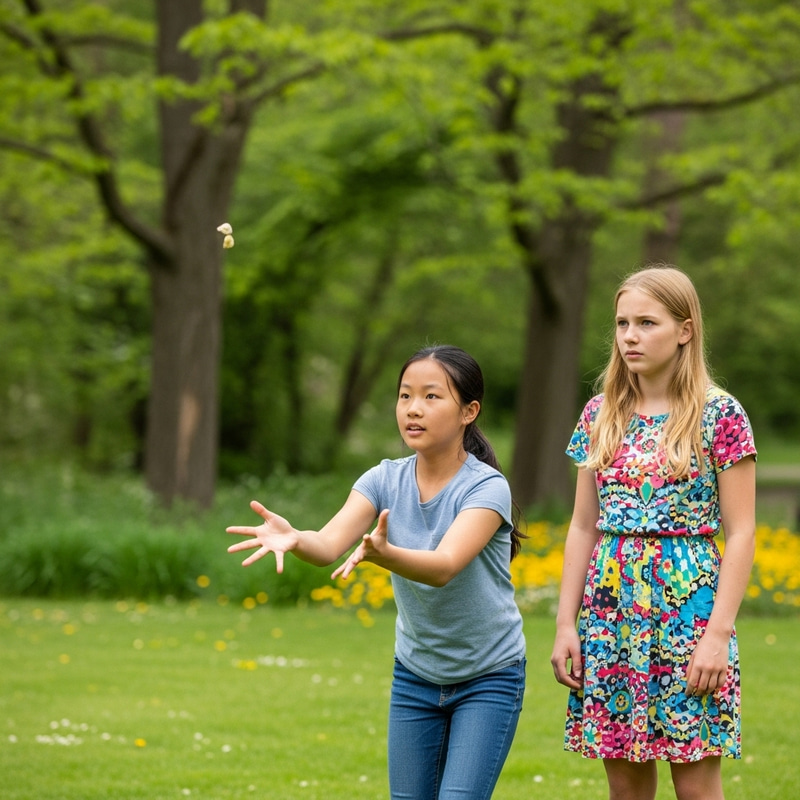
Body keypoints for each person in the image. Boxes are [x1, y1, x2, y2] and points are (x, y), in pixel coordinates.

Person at [227, 345, 527, 800]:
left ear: (469, 411)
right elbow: (328, 545)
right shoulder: (383, 478)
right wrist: (295, 537)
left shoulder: (486, 487)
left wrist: (385, 555)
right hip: (416, 674)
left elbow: (444, 566)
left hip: (488, 676)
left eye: (431, 397)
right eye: (405, 396)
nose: (413, 409)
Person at [550, 265, 756, 800]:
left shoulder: (720, 415)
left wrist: (718, 634)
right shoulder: (601, 413)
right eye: (622, 324)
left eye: (647, 322)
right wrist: (565, 623)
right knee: (625, 785)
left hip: (690, 615)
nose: (630, 337)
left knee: (695, 782)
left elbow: (741, 532)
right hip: (611, 613)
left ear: (685, 329)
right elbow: (581, 525)